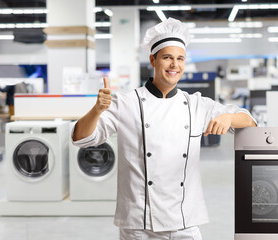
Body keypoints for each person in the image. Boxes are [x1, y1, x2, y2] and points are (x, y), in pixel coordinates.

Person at [72, 18, 256, 240]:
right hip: (139, 223)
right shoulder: (127, 102)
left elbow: (250, 122)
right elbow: (81, 138)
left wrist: (228, 116)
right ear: (153, 59)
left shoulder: (197, 104)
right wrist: (96, 110)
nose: (174, 65)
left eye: (180, 59)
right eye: (168, 57)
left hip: (184, 221)